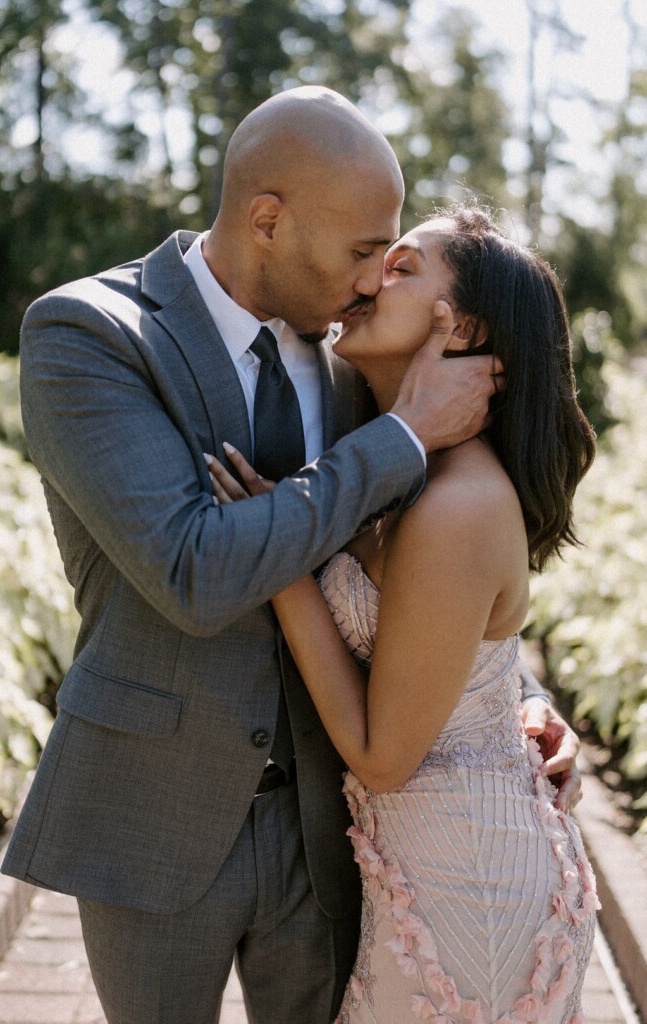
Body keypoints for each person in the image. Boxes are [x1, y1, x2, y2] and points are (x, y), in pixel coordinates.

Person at [1, 86, 580, 1024]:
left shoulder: (362, 363)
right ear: (268, 219)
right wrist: (399, 437)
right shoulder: (89, 336)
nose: (368, 281)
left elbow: (411, 571)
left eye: (386, 260)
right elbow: (196, 572)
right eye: (361, 252)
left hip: (335, 830)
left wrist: (507, 702)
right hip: (155, 813)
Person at [206, 204, 599, 1023]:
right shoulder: (400, 466)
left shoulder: (456, 505)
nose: (369, 274)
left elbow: (384, 757)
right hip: (418, 873)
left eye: (403, 265)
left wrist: (277, 556)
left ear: (463, 328)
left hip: (473, 893)